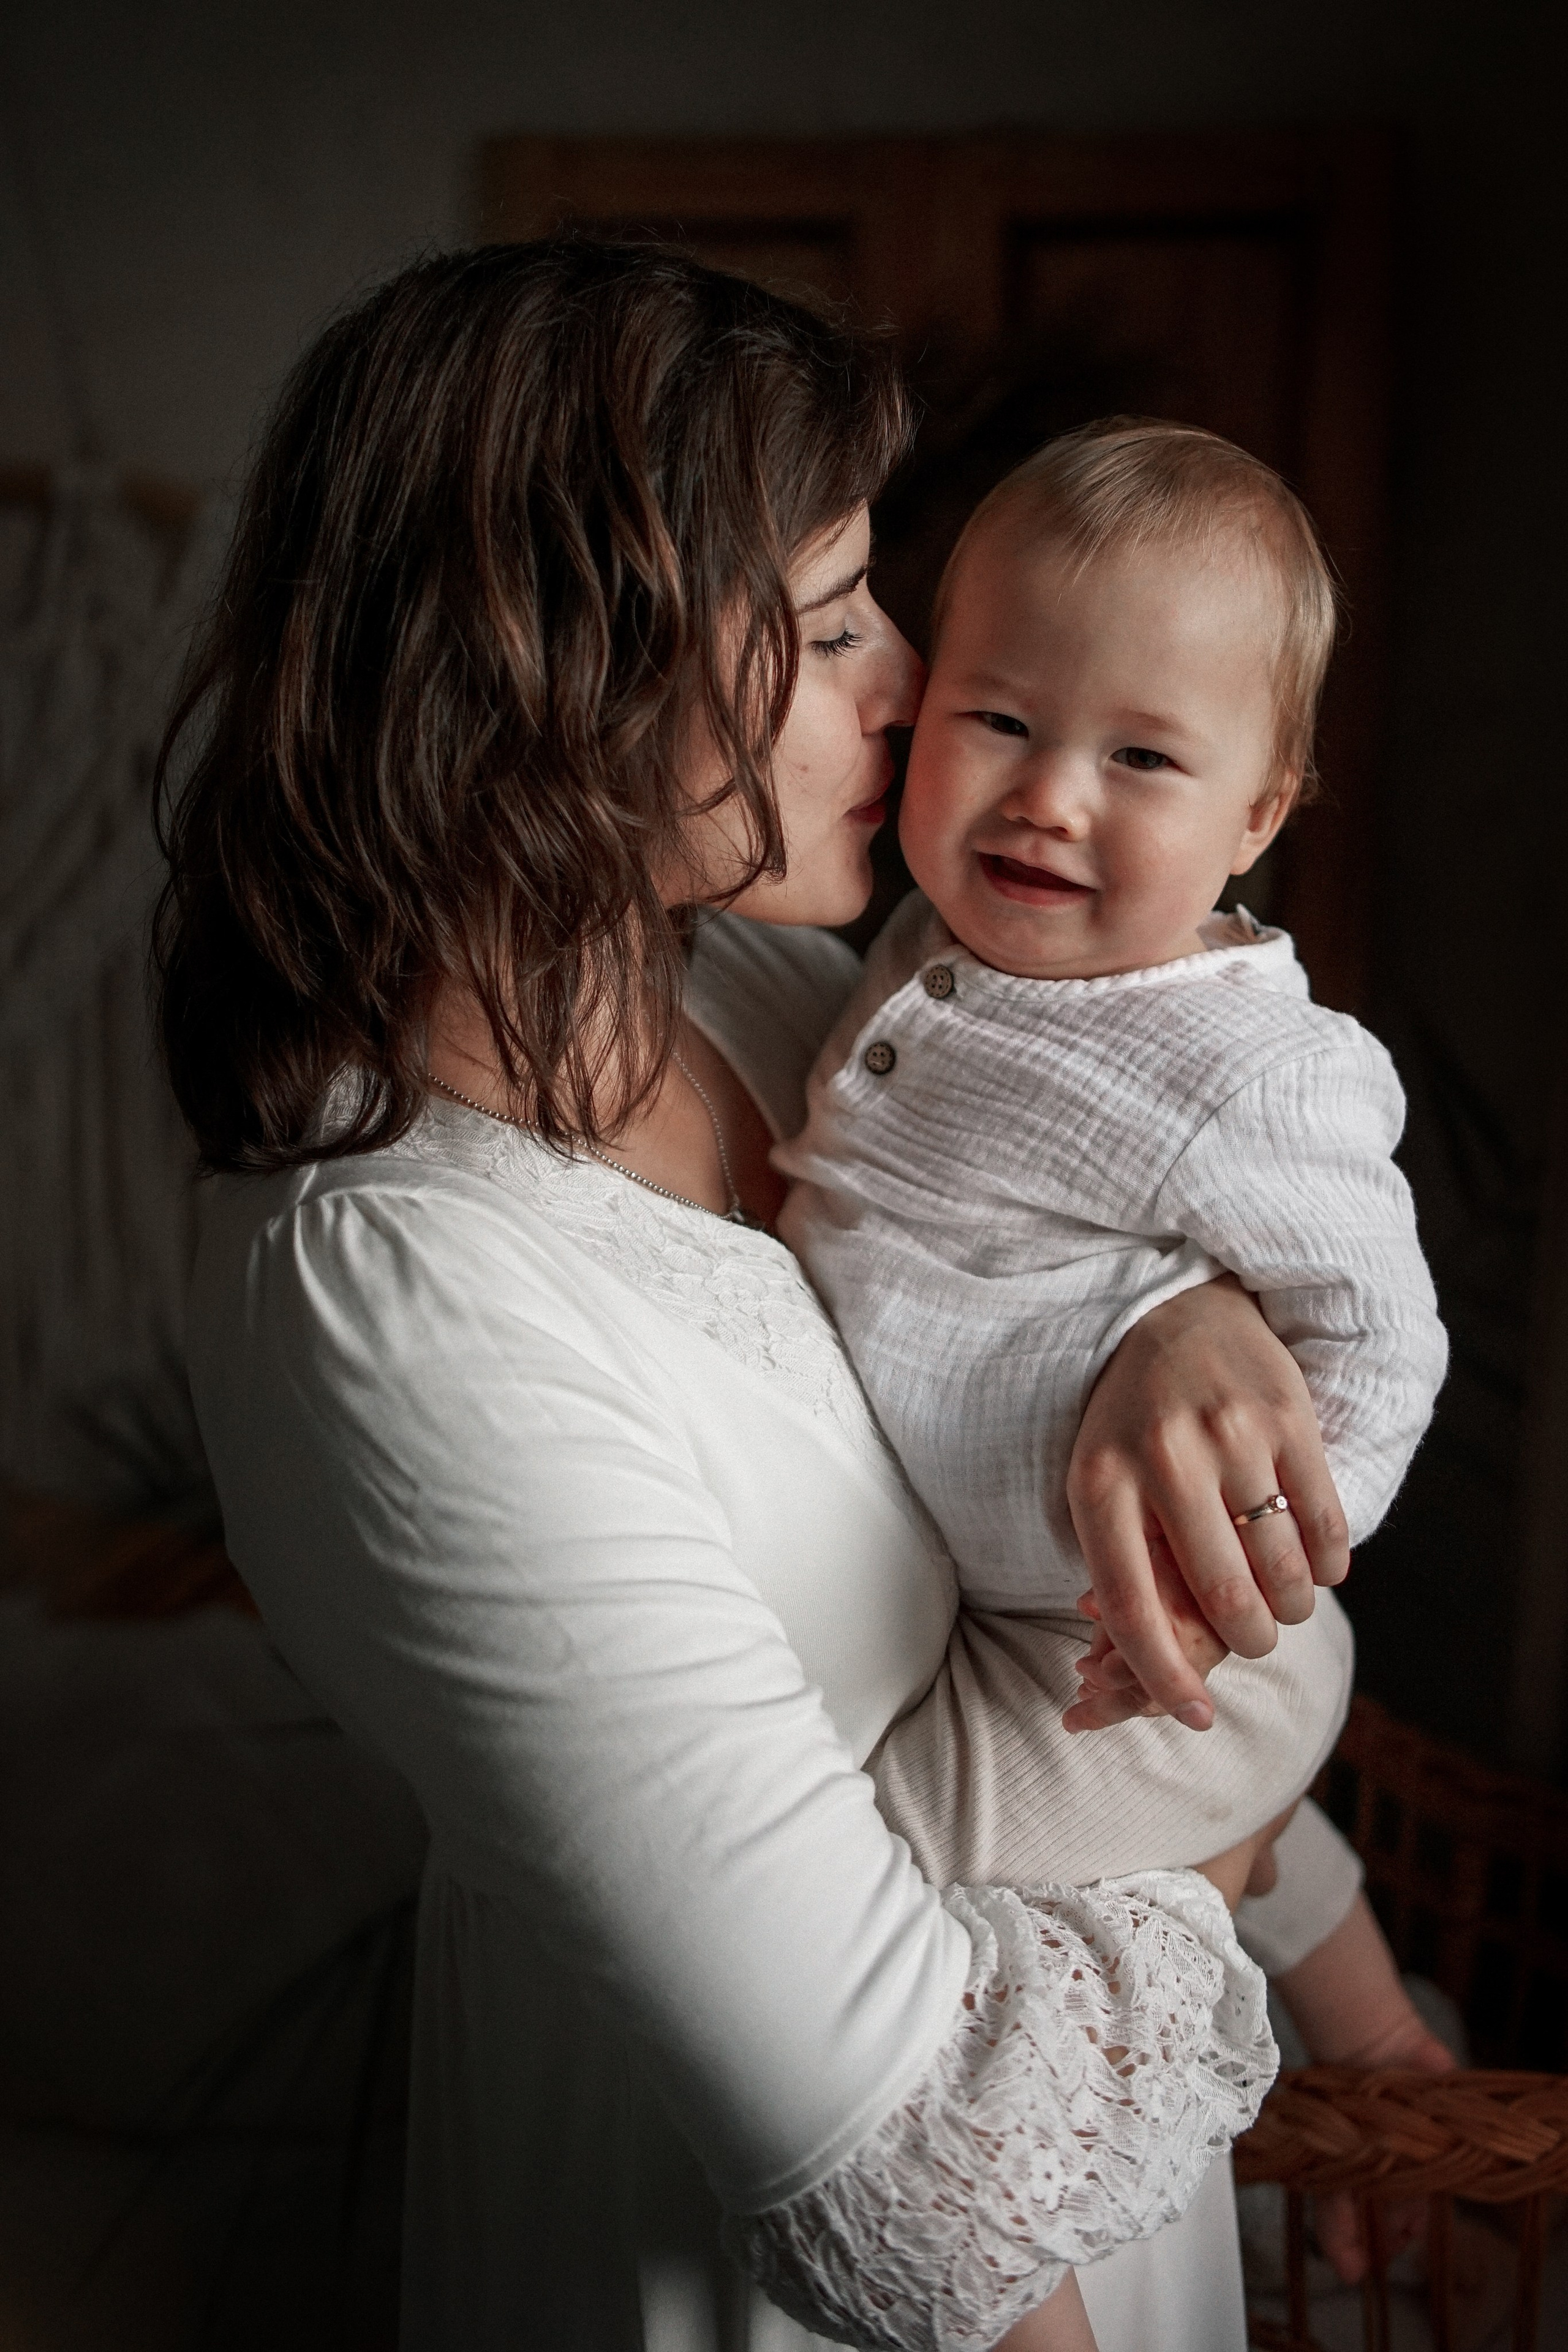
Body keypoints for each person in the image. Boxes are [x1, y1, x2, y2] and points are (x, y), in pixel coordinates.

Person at [157, 241, 1366, 2352]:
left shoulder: (773, 987)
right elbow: (909, 2172)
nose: (914, 679)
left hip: (1090, 2184)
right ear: (552, 664)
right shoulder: (396, 1291)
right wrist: (1233, 1846)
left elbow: (1033, 1512)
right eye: (825, 625)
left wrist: (1174, 1316)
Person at [782, 416, 1447, 1893]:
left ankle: (1352, 2020)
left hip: (1122, 1636)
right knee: (1229, 1855)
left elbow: (1379, 1335)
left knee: (867, 1853)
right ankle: (1378, 2020)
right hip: (987, 1594)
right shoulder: (924, 943)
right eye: (999, 722)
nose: (1048, 798)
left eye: (1140, 756)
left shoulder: (1242, 1067)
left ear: (1253, 816)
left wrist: (1245, 1584)